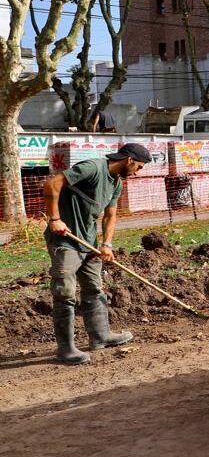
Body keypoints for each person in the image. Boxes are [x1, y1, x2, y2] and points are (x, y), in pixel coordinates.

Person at [42, 143, 152, 364]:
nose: (137, 172)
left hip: (89, 243)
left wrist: (107, 244)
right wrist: (54, 219)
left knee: (94, 288)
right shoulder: (93, 168)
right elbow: (52, 183)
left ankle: (100, 336)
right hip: (66, 241)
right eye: (138, 167)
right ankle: (66, 350)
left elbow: (110, 215)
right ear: (129, 160)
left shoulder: (116, 183)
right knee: (65, 292)